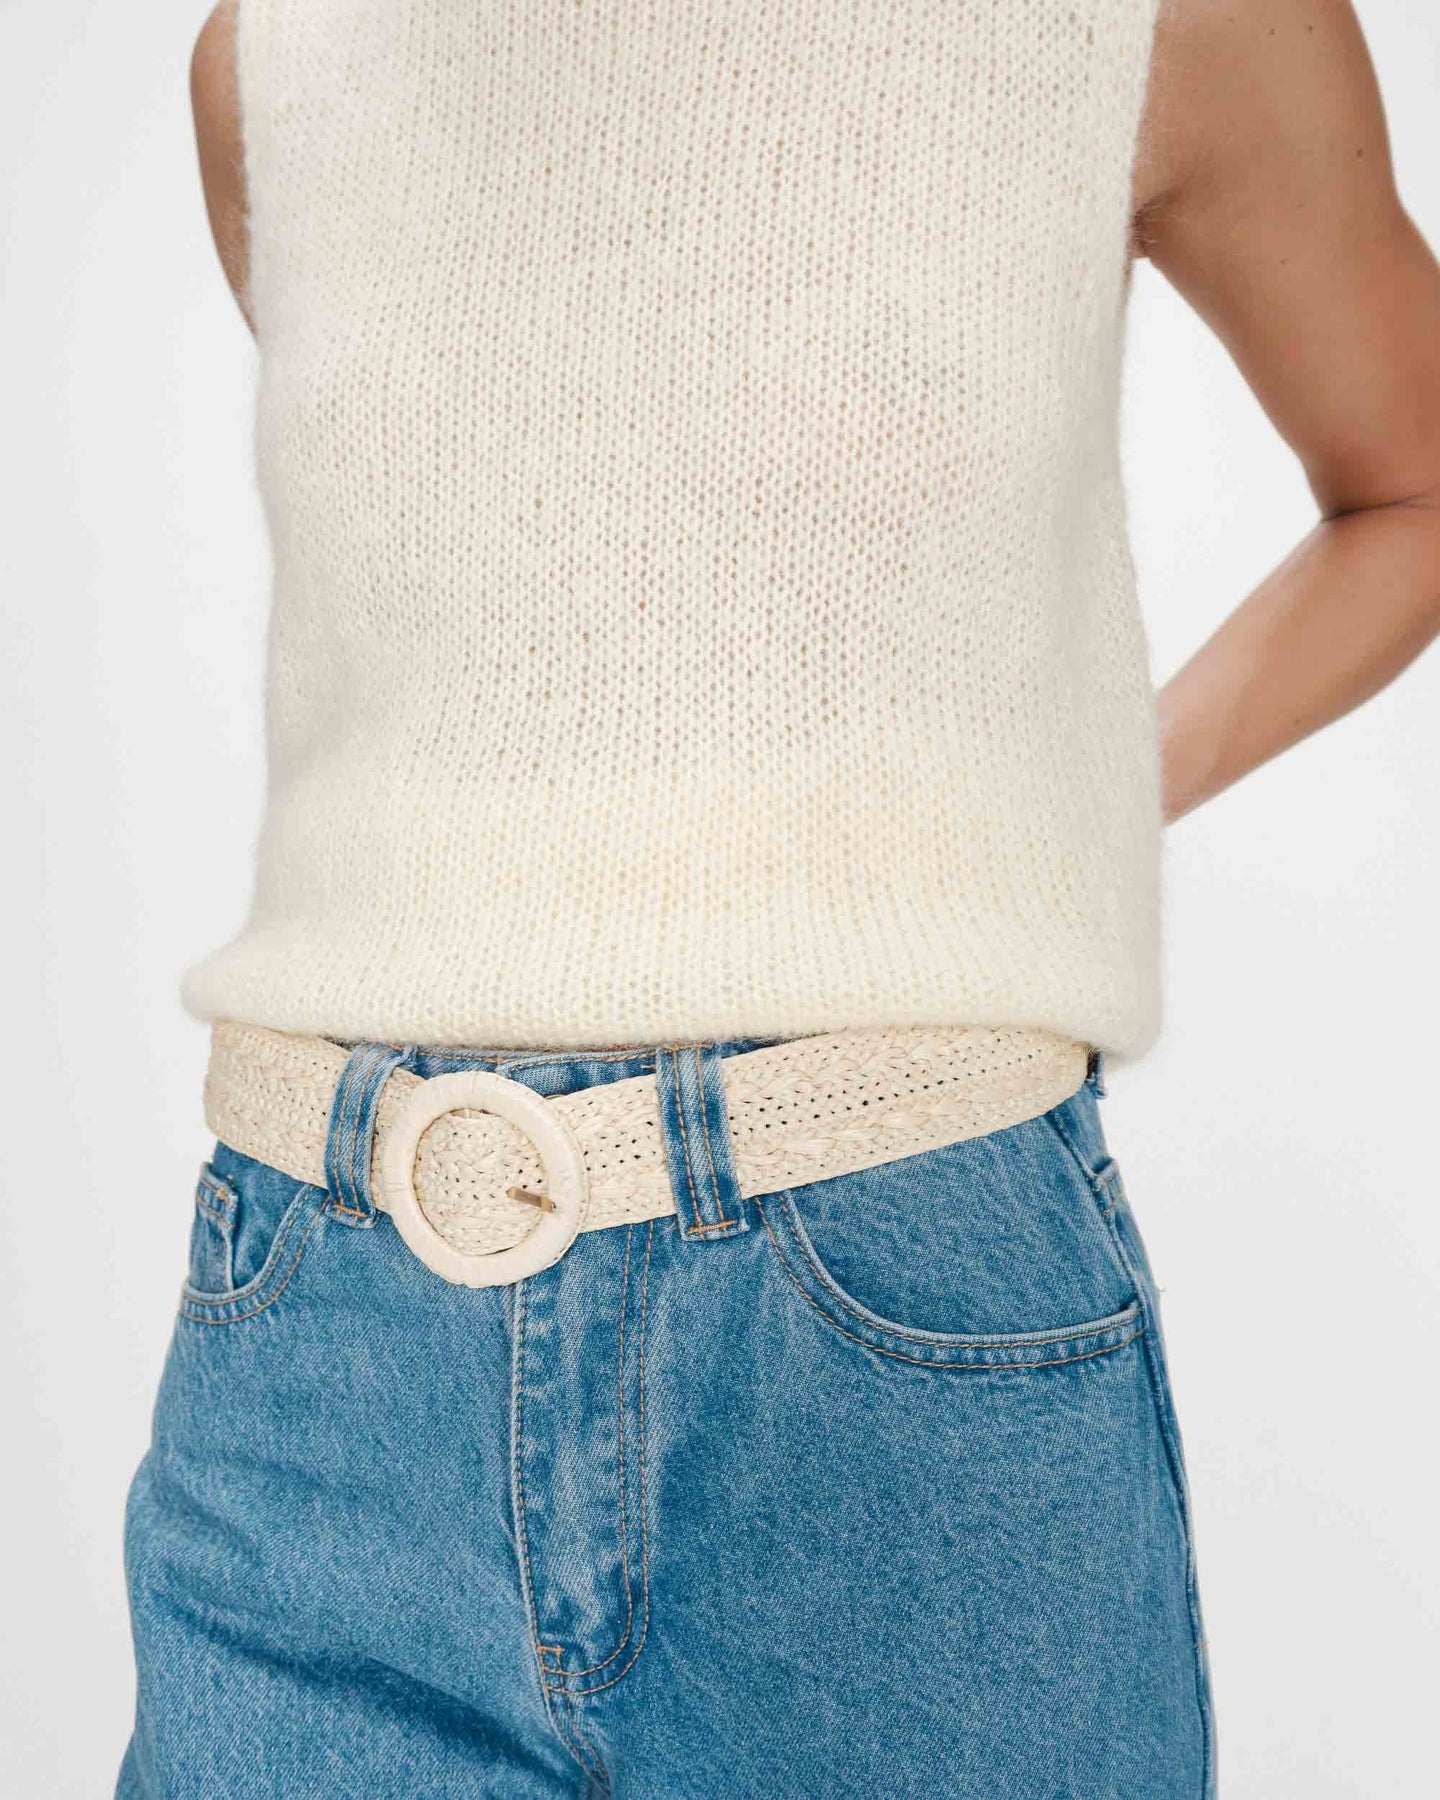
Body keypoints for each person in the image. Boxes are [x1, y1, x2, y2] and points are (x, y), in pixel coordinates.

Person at [118, 2, 1440, 1796]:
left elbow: (1411, 487)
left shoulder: (1167, 20)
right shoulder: (272, 54)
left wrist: (1073, 797)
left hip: (887, 1346)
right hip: (317, 1347)